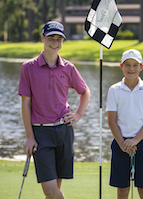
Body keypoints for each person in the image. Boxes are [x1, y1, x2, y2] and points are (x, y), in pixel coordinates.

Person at [18, 21, 90, 199]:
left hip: (63, 130)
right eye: (51, 38)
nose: (55, 42)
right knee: (50, 190)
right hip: (41, 133)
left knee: (55, 188)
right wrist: (29, 136)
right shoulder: (28, 68)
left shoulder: (68, 68)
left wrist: (78, 114)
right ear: (43, 38)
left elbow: (85, 91)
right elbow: (26, 104)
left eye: (59, 39)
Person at [106, 49, 143, 199]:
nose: (131, 68)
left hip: (142, 144)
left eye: (135, 65)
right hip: (119, 142)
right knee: (122, 190)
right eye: (127, 65)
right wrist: (123, 143)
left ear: (141, 67)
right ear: (121, 66)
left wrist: (135, 140)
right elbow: (111, 120)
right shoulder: (114, 90)